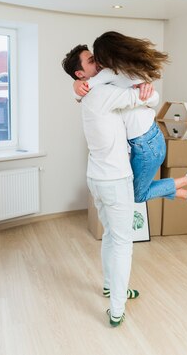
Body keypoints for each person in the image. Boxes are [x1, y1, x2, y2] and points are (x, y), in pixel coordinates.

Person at [62, 44, 158, 328]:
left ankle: (109, 286)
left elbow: (111, 82)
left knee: (111, 238)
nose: (99, 61)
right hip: (114, 180)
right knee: (123, 243)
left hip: (97, 177)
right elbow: (150, 99)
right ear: (81, 72)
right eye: (92, 60)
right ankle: (117, 308)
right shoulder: (102, 93)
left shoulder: (91, 92)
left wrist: (84, 83)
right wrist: (146, 89)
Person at [73, 31, 187, 217]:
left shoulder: (111, 74)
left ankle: (186, 186)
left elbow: (84, 90)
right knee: (136, 192)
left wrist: (76, 88)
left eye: (97, 58)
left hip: (146, 143)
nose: (97, 63)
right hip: (148, 140)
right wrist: (76, 86)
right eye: (92, 60)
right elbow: (83, 89)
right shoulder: (128, 71)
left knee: (137, 194)